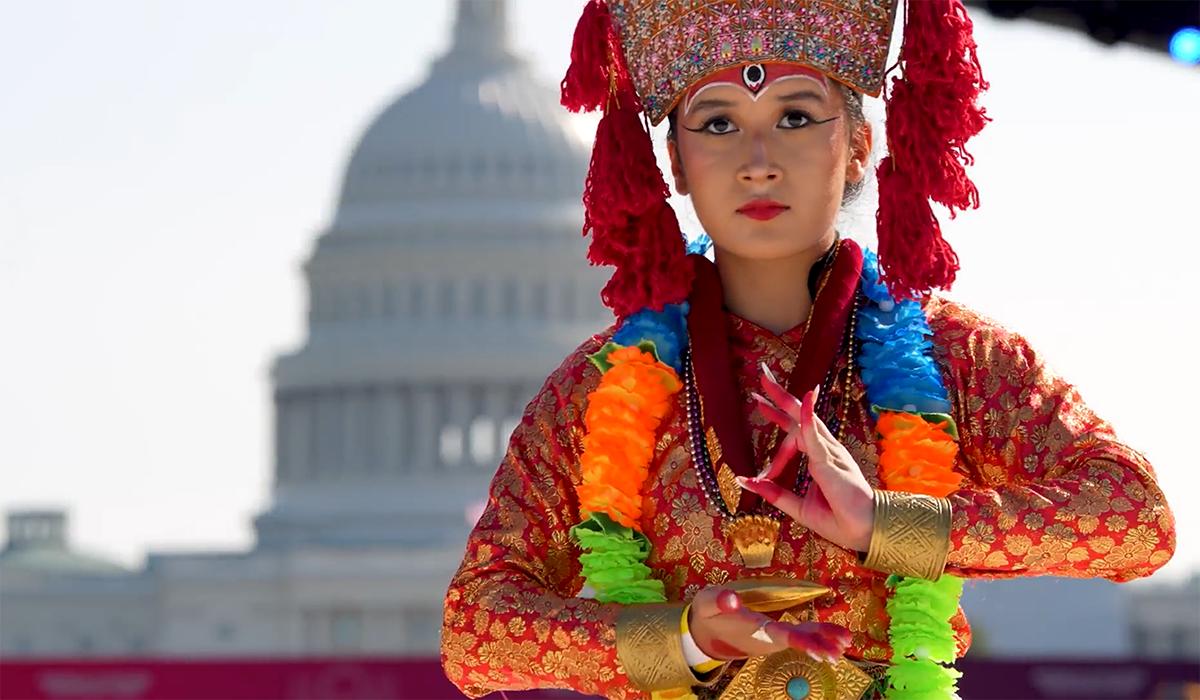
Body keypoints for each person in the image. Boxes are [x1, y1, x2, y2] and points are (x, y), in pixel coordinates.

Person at [440, 1, 1176, 698]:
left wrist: (889, 526)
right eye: (718, 124)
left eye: (794, 116)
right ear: (674, 163)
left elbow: (1137, 520)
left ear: (858, 146)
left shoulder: (958, 358)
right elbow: (475, 627)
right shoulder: (601, 388)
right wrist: (685, 638)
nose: (757, 162)